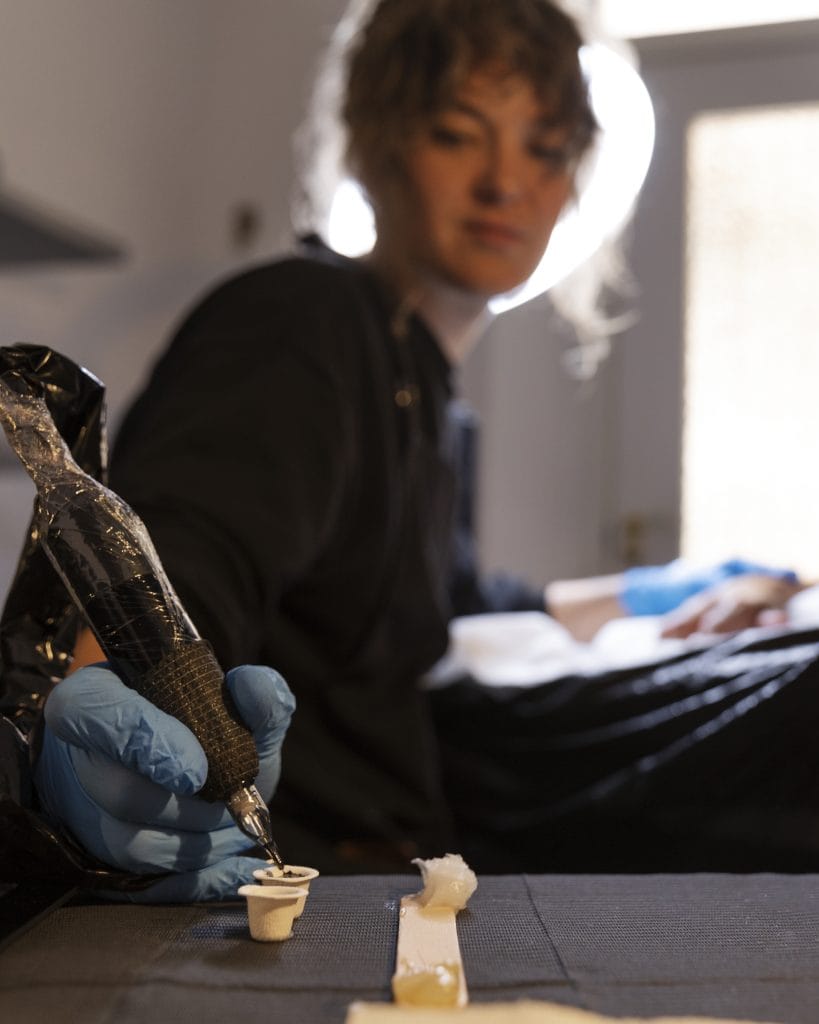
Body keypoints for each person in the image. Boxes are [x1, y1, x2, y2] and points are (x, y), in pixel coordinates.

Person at [24, 0, 807, 897]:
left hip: (407, 856)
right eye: (456, 134)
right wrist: (107, 720)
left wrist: (685, 590)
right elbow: (178, 561)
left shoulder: (432, 404)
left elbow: (459, 599)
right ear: (376, 143)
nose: (505, 184)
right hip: (299, 878)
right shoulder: (306, 325)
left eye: (544, 149)